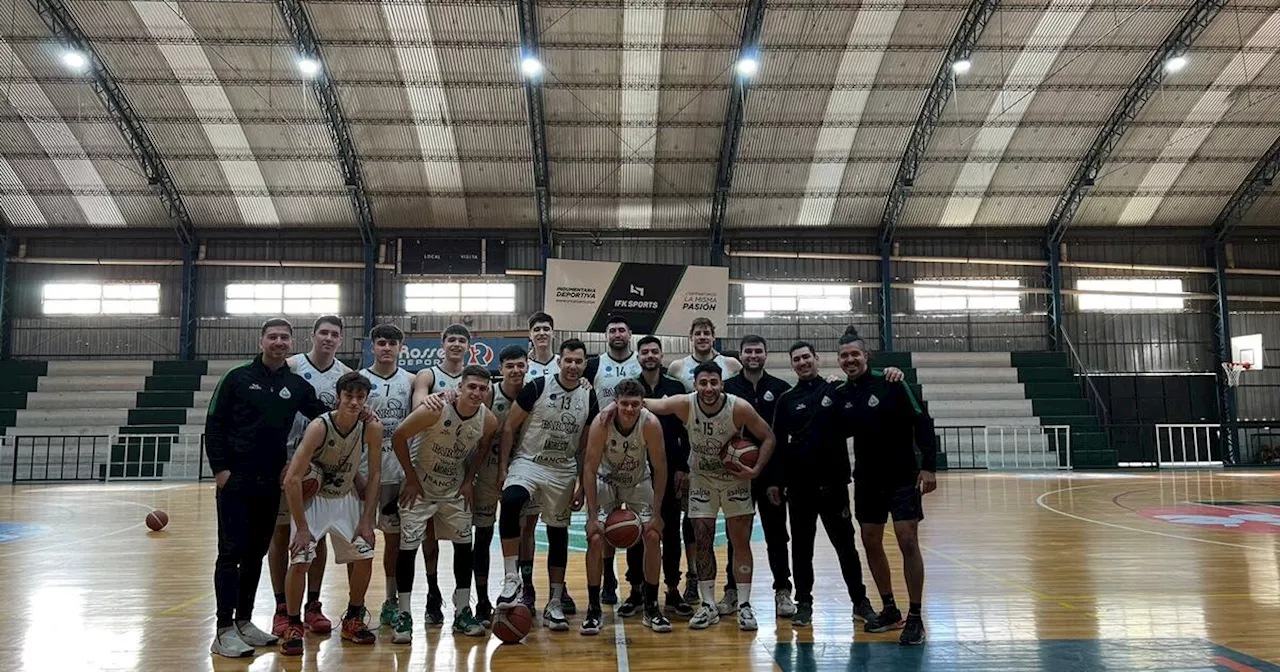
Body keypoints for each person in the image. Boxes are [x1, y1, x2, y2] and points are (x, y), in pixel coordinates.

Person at [205, 318, 330, 658]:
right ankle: (223, 629)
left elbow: (324, 419)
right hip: (236, 480)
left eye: (284, 338)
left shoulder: (296, 385)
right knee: (230, 553)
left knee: (256, 553)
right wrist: (221, 470)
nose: (278, 342)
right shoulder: (237, 377)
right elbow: (214, 422)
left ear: (291, 343)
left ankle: (245, 622)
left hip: (271, 481)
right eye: (272, 337)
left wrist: (360, 414)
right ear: (262, 341)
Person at [634, 362, 775, 631]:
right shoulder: (685, 403)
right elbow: (644, 403)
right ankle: (708, 605)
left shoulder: (739, 407)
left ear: (722, 384)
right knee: (702, 539)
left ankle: (744, 605)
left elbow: (768, 437)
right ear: (695, 384)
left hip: (734, 480)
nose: (708, 388)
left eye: (713, 382)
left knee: (740, 540)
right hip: (701, 479)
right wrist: (611, 406)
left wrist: (756, 470)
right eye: (703, 383)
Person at [833, 327, 937, 646]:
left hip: (902, 475)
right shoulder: (841, 394)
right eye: (844, 356)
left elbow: (923, 421)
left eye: (855, 354)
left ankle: (916, 616)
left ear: (866, 356)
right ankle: (890, 608)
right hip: (867, 478)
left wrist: (929, 466)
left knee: (907, 540)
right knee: (870, 541)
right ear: (839, 361)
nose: (850, 359)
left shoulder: (892, 382)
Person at [769, 340, 878, 629]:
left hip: (834, 485)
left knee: (846, 547)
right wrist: (776, 482)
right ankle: (804, 602)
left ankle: (860, 601)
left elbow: (862, 392)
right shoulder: (786, 400)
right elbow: (777, 444)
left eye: (807, 357)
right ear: (792, 365)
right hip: (800, 487)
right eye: (797, 360)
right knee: (802, 549)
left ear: (817, 359)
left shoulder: (836, 390)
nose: (803, 363)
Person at [494, 339, 599, 633]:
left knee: (557, 533)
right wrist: (504, 467)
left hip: (563, 470)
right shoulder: (537, 387)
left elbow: (585, 447)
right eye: (569, 360)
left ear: (584, 365)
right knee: (512, 501)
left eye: (579, 362)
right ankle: (511, 577)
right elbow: (509, 426)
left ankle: (555, 601)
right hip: (529, 461)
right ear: (559, 362)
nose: (574, 366)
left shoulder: (589, 398)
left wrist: (580, 485)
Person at [390, 365, 499, 643]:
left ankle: (463, 610)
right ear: (460, 387)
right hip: (420, 489)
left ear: (488, 392)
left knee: (465, 547)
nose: (476, 392)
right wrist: (411, 480)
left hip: (453, 489)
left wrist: (469, 479)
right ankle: (404, 615)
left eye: (482, 388)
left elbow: (484, 446)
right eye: (471, 387)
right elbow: (398, 436)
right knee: (408, 550)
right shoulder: (435, 408)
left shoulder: (488, 421)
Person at [279, 372, 384, 655]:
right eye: (348, 396)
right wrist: (301, 528)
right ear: (338, 397)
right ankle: (292, 624)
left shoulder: (372, 427)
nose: (354, 402)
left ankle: (353, 617)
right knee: (300, 558)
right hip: (313, 500)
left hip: (346, 497)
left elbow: (374, 476)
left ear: (366, 399)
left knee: (365, 552)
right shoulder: (319, 426)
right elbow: (291, 480)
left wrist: (366, 521)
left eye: (360, 397)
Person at [268, 316, 351, 637]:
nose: (328, 339)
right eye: (323, 333)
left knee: (317, 536)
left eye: (334, 334)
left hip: (324, 466)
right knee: (281, 533)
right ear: (313, 336)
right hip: (285, 461)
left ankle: (313, 605)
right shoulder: (289, 366)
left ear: (340, 340)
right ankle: (280, 606)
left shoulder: (345, 375)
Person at [582, 379, 670, 635]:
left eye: (634, 404)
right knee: (596, 537)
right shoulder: (602, 423)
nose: (629, 409)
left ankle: (651, 606)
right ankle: (593, 608)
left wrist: (656, 514)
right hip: (605, 479)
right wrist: (591, 515)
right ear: (615, 403)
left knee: (653, 535)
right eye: (624, 404)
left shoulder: (650, 423)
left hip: (637, 481)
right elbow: (588, 468)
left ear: (642, 404)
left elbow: (661, 468)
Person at [721, 334, 794, 619]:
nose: (753, 355)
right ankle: (731, 590)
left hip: (771, 477)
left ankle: (783, 591)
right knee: (735, 536)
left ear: (766, 354)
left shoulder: (780, 389)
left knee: (777, 535)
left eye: (758, 351)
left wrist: (780, 478)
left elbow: (783, 439)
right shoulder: (728, 389)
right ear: (740, 355)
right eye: (748, 351)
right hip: (737, 475)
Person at [408, 323, 472, 625]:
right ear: (442, 344)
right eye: (452, 340)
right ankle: (433, 591)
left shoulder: (474, 378)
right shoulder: (429, 375)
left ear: (468, 346)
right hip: (426, 461)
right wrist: (431, 400)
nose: (456, 344)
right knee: (428, 537)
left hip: (457, 463)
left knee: (462, 537)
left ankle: (465, 603)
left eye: (462, 340)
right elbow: (418, 403)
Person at [356, 324, 418, 630]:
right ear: (372, 346)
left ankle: (391, 601)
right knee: (359, 543)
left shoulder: (410, 380)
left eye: (392, 343)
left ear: (400, 348)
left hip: (397, 474)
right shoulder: (359, 382)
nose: (386, 348)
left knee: (394, 542)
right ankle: (356, 607)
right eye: (381, 342)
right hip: (365, 474)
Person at [582, 314, 643, 606]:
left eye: (622, 329)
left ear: (630, 334)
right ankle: (608, 577)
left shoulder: (641, 362)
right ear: (606, 336)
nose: (617, 334)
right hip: (603, 447)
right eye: (612, 330)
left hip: (634, 449)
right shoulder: (593, 365)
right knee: (606, 521)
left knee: (634, 519)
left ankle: (635, 578)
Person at [633, 335, 694, 618]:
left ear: (661, 355)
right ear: (638, 356)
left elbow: (686, 432)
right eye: (645, 352)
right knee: (637, 530)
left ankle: (672, 589)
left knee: (670, 532)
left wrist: (683, 467)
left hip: (670, 471)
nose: (650, 356)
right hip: (635, 471)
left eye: (654, 351)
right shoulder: (631, 388)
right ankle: (637, 590)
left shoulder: (676, 388)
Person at [471, 345, 530, 627]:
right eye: (510, 366)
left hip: (519, 472)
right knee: (482, 537)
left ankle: (520, 591)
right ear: (502, 369)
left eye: (520, 365)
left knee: (519, 536)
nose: (516, 370)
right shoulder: (490, 394)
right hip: (487, 471)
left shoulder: (533, 392)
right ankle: (481, 601)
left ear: (527, 366)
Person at [667, 318, 742, 391]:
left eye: (706, 333)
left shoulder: (731, 364)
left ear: (713, 337)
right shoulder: (677, 367)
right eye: (697, 334)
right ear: (691, 338)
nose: (702, 337)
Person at [526, 311, 560, 379]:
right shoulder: (525, 366)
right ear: (530, 335)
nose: (541, 333)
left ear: (553, 333)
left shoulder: (563, 363)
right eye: (537, 329)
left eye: (546, 329)